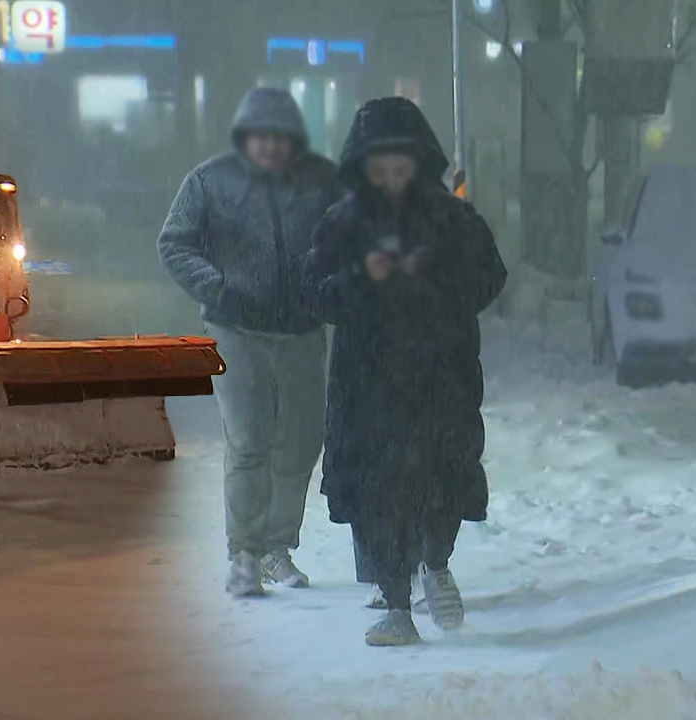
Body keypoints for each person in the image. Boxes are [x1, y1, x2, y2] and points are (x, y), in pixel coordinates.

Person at [302, 97, 507, 645]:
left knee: (443, 479)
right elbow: (316, 295)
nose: (392, 181)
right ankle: (397, 605)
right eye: (380, 170)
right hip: (368, 386)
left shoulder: (454, 218)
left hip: (442, 376)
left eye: (402, 169)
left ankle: (436, 565)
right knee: (378, 494)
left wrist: (436, 283)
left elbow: (490, 279)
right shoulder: (341, 224)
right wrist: (360, 277)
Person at [158, 87, 339, 598]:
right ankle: (245, 552)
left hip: (302, 330)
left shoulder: (323, 182)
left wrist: (333, 288)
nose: (271, 147)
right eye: (262, 136)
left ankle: (278, 547)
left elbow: (350, 237)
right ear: (245, 137)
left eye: (281, 137)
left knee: (302, 441)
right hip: (235, 330)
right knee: (249, 438)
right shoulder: (210, 182)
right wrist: (216, 287)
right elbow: (174, 243)